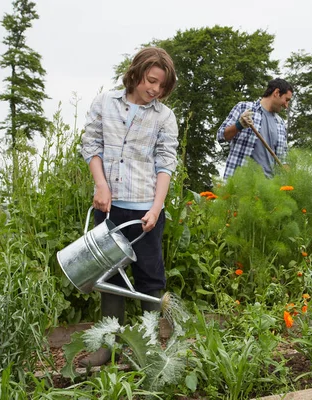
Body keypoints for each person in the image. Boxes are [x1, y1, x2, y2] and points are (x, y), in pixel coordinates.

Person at [78, 47, 178, 367]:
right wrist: (101, 185)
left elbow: (165, 164)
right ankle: (109, 347)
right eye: (151, 81)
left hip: (145, 211)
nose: (154, 89)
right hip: (109, 208)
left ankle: (148, 346)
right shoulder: (105, 104)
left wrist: (156, 208)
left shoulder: (163, 116)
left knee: (150, 277)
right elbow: (91, 146)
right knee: (110, 276)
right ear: (136, 73)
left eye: (161, 86)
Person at [217, 78, 293, 179]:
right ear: (276, 92)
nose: (286, 105)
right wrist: (239, 125)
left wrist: (288, 174)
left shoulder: (280, 124)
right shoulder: (244, 108)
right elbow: (221, 136)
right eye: (286, 100)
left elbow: (283, 157)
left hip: (268, 188)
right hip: (238, 183)